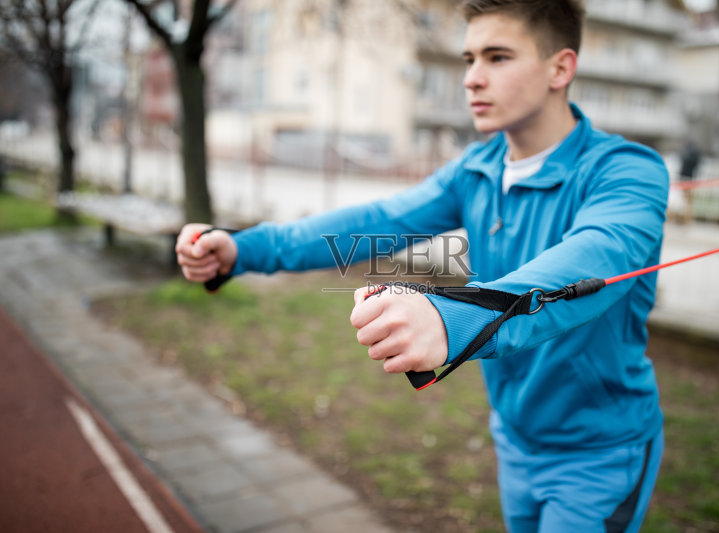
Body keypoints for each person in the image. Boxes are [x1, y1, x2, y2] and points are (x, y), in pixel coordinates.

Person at [175, 1, 669, 531]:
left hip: (600, 452)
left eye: (497, 57)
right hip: (514, 437)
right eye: (468, 59)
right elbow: (375, 220)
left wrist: (452, 316)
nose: (472, 79)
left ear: (560, 68)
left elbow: (597, 253)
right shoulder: (476, 170)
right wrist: (243, 248)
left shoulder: (629, 171)